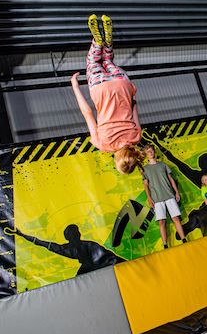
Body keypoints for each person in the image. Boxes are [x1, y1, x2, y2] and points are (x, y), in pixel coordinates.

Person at [70, 14, 143, 174]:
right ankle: (97, 41)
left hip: (123, 84)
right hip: (100, 88)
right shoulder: (102, 145)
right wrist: (75, 87)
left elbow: (134, 108)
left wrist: (131, 92)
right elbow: (87, 112)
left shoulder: (136, 138)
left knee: (108, 62)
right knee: (93, 62)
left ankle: (107, 41)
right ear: (117, 160)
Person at [4, 224, 125, 275]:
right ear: (69, 237)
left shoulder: (91, 246)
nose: (75, 235)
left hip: (110, 265)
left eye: (76, 232)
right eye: (72, 234)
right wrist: (21, 234)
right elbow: (42, 243)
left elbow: (112, 257)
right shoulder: (69, 249)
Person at [142, 144, 187, 249]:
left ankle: (184, 239)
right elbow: (146, 185)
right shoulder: (145, 169)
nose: (150, 153)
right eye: (148, 152)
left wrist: (176, 192)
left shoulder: (163, 165)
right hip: (157, 198)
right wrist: (149, 198)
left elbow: (171, 179)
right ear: (146, 155)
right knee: (162, 222)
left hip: (169, 195)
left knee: (176, 218)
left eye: (151, 150)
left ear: (154, 152)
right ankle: (165, 245)